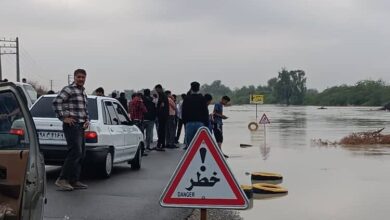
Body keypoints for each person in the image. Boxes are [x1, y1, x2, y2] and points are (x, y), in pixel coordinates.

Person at [52, 69, 89, 191]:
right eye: (79, 77)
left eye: (83, 77)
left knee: (81, 154)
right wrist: (63, 118)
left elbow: (84, 109)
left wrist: (87, 119)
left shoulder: (83, 92)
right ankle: (62, 179)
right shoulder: (69, 89)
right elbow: (56, 102)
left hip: (81, 125)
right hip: (72, 126)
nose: (81, 79)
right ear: (74, 77)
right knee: (75, 152)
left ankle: (74, 180)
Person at [182, 81, 208, 149]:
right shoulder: (202, 98)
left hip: (189, 123)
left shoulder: (187, 98)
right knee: (200, 143)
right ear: (198, 88)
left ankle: (191, 158)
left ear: (191, 88)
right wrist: (206, 123)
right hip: (200, 123)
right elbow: (205, 112)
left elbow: (183, 112)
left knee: (190, 145)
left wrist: (184, 122)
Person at [155, 84, 169, 151]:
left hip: (162, 116)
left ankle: (160, 144)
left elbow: (162, 106)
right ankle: (161, 144)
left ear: (159, 89)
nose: (156, 91)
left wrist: (157, 112)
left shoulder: (162, 96)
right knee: (162, 130)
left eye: (157, 89)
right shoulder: (163, 95)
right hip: (163, 115)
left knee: (161, 130)